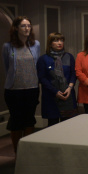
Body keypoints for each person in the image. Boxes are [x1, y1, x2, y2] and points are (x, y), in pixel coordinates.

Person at [2, 16, 40, 153]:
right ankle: (17, 152)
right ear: (16, 28)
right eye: (24, 26)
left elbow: (36, 65)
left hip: (32, 88)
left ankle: (27, 152)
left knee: (29, 120)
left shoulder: (36, 45)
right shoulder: (8, 46)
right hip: (14, 90)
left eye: (29, 26)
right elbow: (7, 67)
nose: (27, 28)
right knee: (16, 121)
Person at [37, 32, 78, 126]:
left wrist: (70, 87)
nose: (59, 43)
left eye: (61, 40)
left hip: (67, 94)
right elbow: (42, 78)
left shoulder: (69, 56)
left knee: (68, 125)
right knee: (53, 125)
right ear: (50, 43)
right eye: (56, 40)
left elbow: (73, 74)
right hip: (51, 96)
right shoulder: (43, 59)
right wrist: (55, 91)